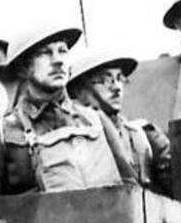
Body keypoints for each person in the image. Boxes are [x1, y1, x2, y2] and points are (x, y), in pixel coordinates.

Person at [0, 26, 134, 197]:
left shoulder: (96, 121)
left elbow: (131, 193)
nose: (58, 60)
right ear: (24, 67)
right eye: (45, 53)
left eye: (62, 51)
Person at [68, 50, 173, 195]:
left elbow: (178, 181)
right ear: (80, 90)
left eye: (120, 79)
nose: (117, 87)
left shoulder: (143, 136)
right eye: (105, 80)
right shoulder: (73, 140)